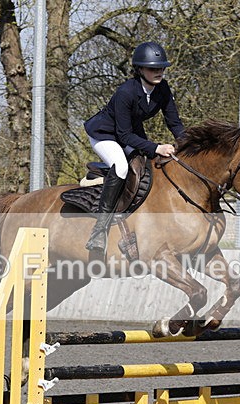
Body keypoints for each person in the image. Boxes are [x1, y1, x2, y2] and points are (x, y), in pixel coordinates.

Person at [83, 41, 186, 255]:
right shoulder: (126, 92)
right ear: (140, 69)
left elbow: (174, 122)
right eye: (153, 68)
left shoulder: (163, 89)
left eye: (161, 68)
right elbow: (123, 135)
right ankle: (99, 231)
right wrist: (157, 147)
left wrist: (189, 144)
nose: (159, 72)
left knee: (147, 167)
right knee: (121, 167)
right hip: (105, 134)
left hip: (129, 131)